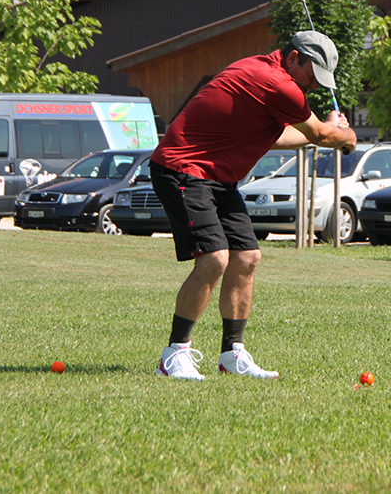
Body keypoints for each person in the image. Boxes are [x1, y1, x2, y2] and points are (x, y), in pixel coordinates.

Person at [150, 30, 358, 380]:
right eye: (313, 75)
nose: (316, 86)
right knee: (215, 258)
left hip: (218, 177)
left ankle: (232, 354)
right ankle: (174, 355)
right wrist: (344, 136)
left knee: (246, 257)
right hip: (182, 168)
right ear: (294, 58)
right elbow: (319, 135)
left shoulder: (269, 78)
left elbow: (281, 136)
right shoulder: (276, 82)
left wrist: (324, 133)